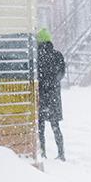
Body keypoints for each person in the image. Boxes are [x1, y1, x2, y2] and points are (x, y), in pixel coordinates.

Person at [36, 28, 65, 161]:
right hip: (54, 96)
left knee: (40, 127)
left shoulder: (37, 56)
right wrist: (53, 83)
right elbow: (61, 74)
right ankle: (61, 153)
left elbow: (36, 76)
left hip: (41, 95)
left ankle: (42, 152)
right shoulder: (58, 55)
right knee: (55, 126)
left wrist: (43, 83)